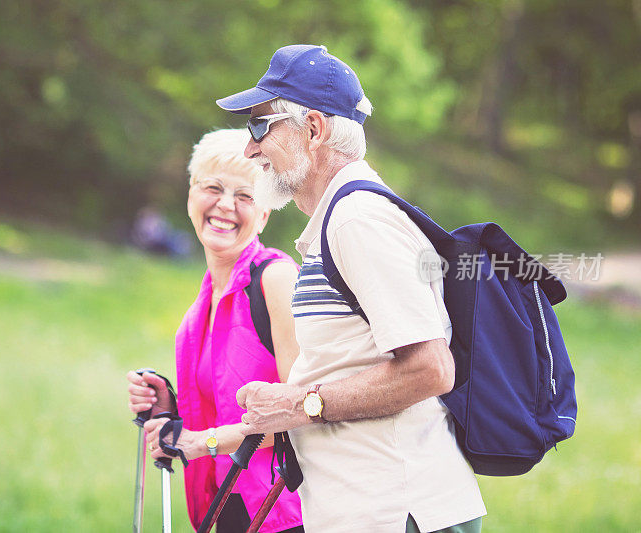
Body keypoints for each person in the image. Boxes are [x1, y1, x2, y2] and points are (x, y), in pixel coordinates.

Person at [216, 45, 487, 532]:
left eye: (260, 127)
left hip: (398, 512)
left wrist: (298, 405)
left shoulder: (357, 220)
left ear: (314, 130)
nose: (249, 149)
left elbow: (430, 368)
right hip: (373, 510)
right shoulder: (339, 219)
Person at [126, 129, 304, 533]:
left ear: (263, 214)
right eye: (213, 188)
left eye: (245, 195)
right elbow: (220, 407)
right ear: (191, 196)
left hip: (282, 513)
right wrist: (169, 410)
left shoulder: (276, 281)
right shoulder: (201, 307)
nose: (225, 205)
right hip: (224, 509)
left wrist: (201, 442)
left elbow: (302, 414)